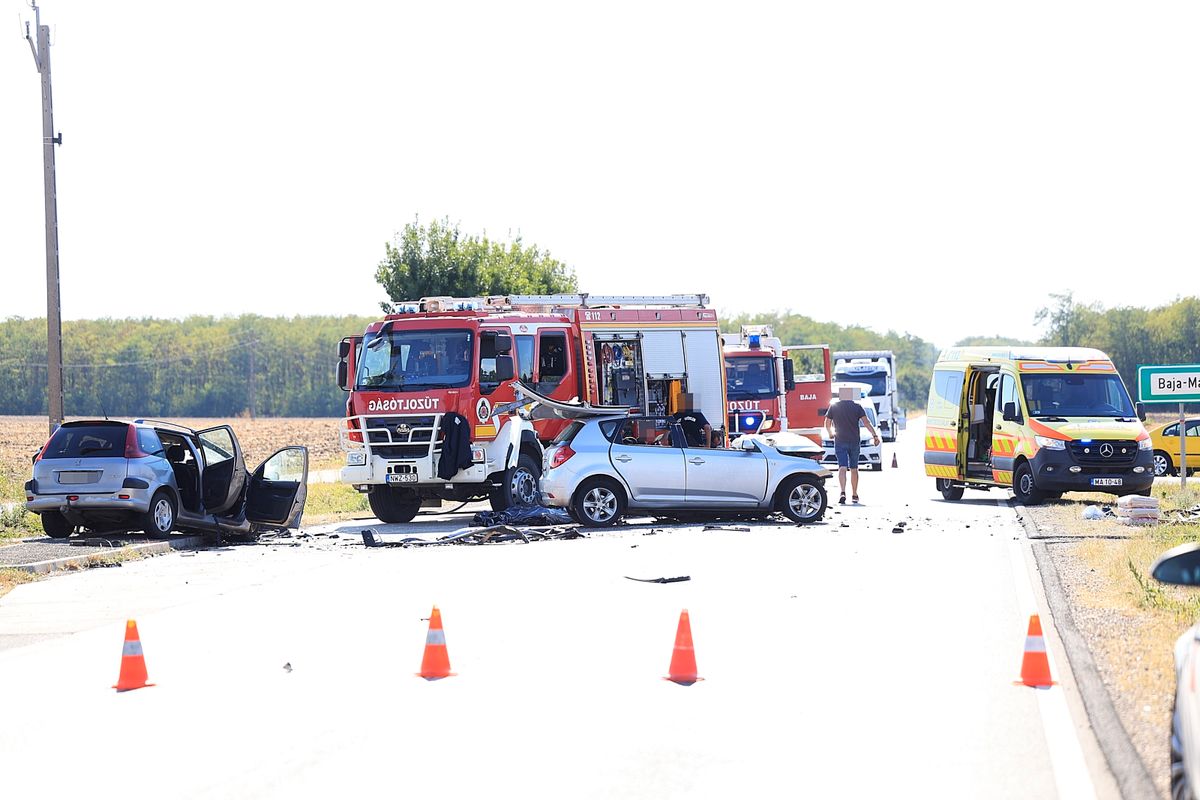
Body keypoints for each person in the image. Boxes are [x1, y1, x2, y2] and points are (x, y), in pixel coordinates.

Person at [824, 387, 881, 505]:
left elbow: (827, 422)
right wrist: (875, 436)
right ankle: (854, 494)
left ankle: (842, 492)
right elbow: (867, 422)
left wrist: (830, 433)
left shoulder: (834, 407)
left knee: (842, 467)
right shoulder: (857, 407)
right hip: (854, 441)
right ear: (851, 396)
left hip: (840, 441)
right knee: (854, 468)